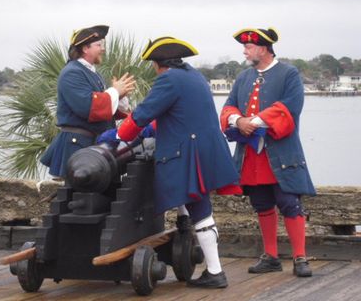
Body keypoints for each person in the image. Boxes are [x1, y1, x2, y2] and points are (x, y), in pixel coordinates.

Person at [99, 37, 240, 288]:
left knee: (200, 208)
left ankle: (216, 272)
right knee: (199, 207)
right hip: (206, 148)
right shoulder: (193, 76)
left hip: (190, 152)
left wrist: (119, 137)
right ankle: (206, 257)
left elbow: (143, 114)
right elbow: (175, 114)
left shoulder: (168, 79)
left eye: (153, 64)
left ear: (159, 64)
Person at [220, 27, 316, 277]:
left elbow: (290, 108)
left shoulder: (289, 74)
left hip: (281, 153)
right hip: (251, 155)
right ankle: (271, 257)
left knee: (290, 203)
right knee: (261, 202)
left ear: (263, 48)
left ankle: (300, 258)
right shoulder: (243, 77)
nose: (244, 51)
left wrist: (256, 121)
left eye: (248, 47)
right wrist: (238, 121)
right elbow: (228, 106)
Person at [41, 25, 136, 179]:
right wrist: (115, 91)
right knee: (78, 196)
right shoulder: (72, 73)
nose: (103, 49)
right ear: (85, 48)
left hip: (92, 143)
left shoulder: (91, 73)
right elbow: (88, 106)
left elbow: (104, 106)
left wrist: (119, 95)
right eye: (99, 45)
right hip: (78, 144)